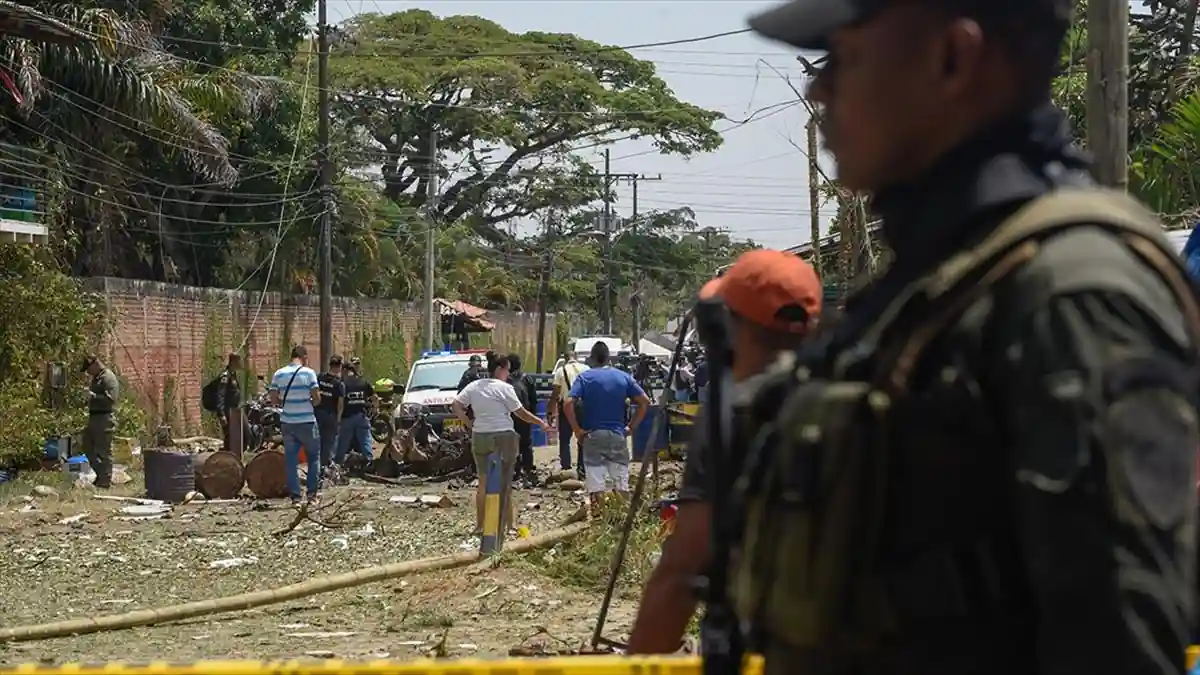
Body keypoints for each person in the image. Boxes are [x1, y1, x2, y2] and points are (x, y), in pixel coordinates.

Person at [722, 0, 1200, 673]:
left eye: (847, 58)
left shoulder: (1070, 290)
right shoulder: (935, 287)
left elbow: (1117, 640)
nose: (819, 89)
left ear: (953, 59)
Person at [627, 249, 821, 654]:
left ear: (729, 328)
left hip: (772, 648)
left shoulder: (735, 414)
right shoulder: (858, 395)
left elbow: (684, 568)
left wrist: (641, 661)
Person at [452, 355, 549, 536]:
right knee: (505, 482)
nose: (508, 374)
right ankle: (508, 526)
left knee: (483, 482)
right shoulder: (505, 388)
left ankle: (480, 526)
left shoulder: (473, 387)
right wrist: (540, 423)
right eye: (507, 370)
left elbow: (456, 405)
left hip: (480, 436)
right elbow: (520, 413)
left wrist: (469, 422)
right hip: (503, 436)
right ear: (499, 369)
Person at [563, 342, 650, 506]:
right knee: (620, 483)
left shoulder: (584, 378)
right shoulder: (623, 376)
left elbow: (568, 403)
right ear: (608, 358)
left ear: (593, 358)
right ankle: (622, 520)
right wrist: (631, 427)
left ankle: (598, 522)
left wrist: (577, 430)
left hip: (593, 436)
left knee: (596, 486)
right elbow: (644, 402)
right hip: (618, 435)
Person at [269, 345, 322, 507]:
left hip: (288, 422)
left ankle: (296, 498)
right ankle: (312, 496)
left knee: (291, 461)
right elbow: (317, 398)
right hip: (307, 421)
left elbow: (274, 399)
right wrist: (310, 402)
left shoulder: (279, 374)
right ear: (304, 357)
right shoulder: (309, 373)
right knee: (314, 458)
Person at [547, 352, 589, 479]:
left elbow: (555, 393)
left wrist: (550, 411)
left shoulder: (561, 371)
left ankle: (566, 469)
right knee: (583, 436)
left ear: (565, 359)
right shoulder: (586, 369)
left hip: (566, 406)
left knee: (565, 439)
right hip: (583, 406)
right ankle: (582, 469)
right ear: (576, 357)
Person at [80, 355, 119, 489]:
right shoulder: (96, 378)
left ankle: (105, 480)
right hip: (94, 417)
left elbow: (111, 399)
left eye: (88, 369)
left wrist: (94, 396)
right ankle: (100, 474)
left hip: (104, 418)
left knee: (104, 450)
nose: (88, 372)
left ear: (95, 364)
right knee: (87, 446)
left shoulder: (108, 377)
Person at [506, 353, 539, 485]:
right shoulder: (527, 379)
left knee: (511, 444)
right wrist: (533, 417)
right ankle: (528, 470)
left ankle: (515, 471)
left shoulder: (505, 381)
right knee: (526, 444)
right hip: (525, 416)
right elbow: (534, 400)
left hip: (510, 416)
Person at [335, 362, 375, 469]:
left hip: (347, 418)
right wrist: (375, 409)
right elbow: (374, 397)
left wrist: (338, 418)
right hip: (362, 417)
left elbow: (341, 403)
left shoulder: (343, 383)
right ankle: (370, 463)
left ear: (344, 370)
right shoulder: (363, 382)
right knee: (365, 440)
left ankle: (337, 464)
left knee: (342, 442)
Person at [315, 355, 344, 471]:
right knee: (329, 441)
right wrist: (339, 418)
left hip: (317, 412)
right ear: (339, 367)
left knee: (316, 439)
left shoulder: (319, 378)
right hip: (330, 415)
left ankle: (316, 464)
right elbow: (340, 403)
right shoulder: (339, 384)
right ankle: (324, 465)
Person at [215, 352, 247, 455]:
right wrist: (221, 415)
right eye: (239, 361)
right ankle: (227, 458)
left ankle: (236, 456)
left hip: (236, 411)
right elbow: (220, 395)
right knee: (230, 438)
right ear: (234, 362)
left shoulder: (233, 375)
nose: (241, 363)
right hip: (229, 412)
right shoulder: (225, 376)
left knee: (243, 435)